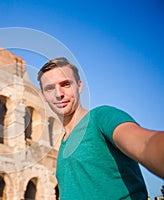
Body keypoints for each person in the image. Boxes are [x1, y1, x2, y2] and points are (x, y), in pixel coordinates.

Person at [37, 57, 164, 199]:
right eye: (49, 88)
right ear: (44, 96)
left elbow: (146, 144)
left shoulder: (101, 117)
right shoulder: (64, 144)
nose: (59, 94)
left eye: (66, 84)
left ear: (79, 86)